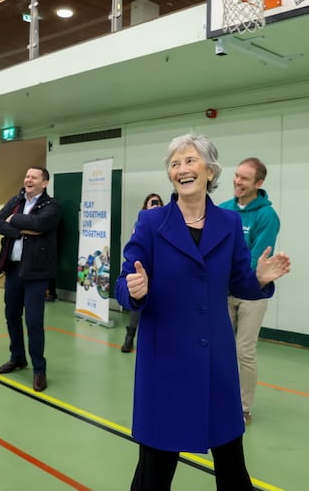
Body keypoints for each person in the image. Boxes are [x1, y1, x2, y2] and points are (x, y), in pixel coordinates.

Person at [115, 134, 290, 490]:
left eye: (190, 161)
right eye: (175, 164)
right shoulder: (151, 223)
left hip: (215, 364)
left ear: (210, 170)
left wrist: (257, 279)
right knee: (154, 470)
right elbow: (123, 282)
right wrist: (134, 291)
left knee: (231, 466)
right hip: (165, 362)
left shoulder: (226, 223)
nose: (182, 169)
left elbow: (239, 280)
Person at [219, 157, 280, 426]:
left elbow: (257, 260)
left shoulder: (267, 216)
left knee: (244, 351)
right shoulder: (223, 210)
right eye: (236, 176)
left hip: (252, 294)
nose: (237, 181)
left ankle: (243, 407)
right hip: (224, 292)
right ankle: (219, 397)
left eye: (244, 178)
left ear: (259, 183)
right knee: (219, 347)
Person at [0, 168, 61, 393]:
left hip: (36, 273)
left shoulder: (52, 206)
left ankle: (39, 369)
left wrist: (15, 221)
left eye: (34, 177)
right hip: (13, 270)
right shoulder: (16, 199)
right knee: (11, 316)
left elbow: (41, 225)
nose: (28, 180)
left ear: (45, 182)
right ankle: (17, 357)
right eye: (27, 176)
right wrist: (22, 230)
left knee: (33, 322)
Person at [120, 192, 163, 353]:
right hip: (142, 272)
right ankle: (129, 338)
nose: (155, 204)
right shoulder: (142, 223)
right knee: (137, 305)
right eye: (151, 202)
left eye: (157, 202)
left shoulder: (165, 221)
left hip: (160, 274)